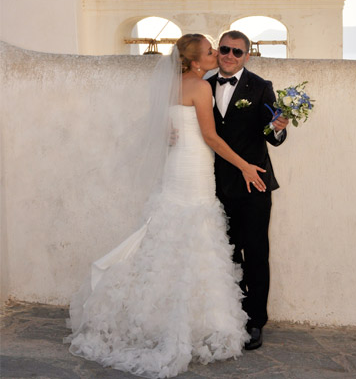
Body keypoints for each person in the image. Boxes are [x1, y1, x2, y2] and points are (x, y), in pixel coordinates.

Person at [66, 34, 271, 378]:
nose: (218, 56)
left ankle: (152, 315)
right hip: (195, 168)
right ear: (195, 61)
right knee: (196, 232)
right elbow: (210, 136)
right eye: (212, 51)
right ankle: (199, 318)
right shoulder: (202, 87)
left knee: (169, 231)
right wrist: (245, 166)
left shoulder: (170, 85)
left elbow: (164, 127)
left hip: (178, 165)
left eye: (225, 51)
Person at [207, 30, 288, 351]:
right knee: (224, 251)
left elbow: (271, 134)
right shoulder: (204, 84)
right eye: (224, 49)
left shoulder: (261, 86)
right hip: (211, 185)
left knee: (255, 253)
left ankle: (255, 321)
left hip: (254, 183)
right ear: (217, 51)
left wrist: (278, 128)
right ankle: (227, 315)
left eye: (237, 52)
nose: (229, 55)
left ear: (247, 56)